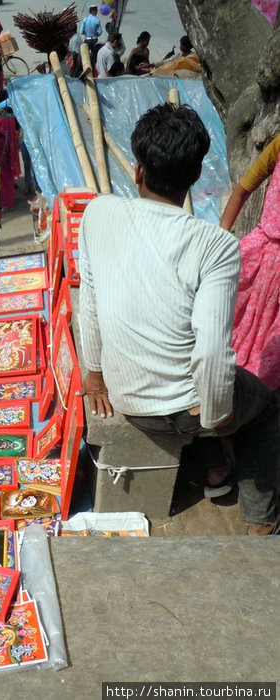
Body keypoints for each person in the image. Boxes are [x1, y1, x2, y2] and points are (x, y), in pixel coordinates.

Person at [78, 103, 280, 536]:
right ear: (194, 176)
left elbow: (89, 304)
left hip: (122, 395)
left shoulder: (98, 213)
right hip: (183, 409)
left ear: (137, 170)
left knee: (216, 393)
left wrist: (93, 378)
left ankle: (211, 468)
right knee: (263, 407)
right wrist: (213, 416)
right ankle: (261, 521)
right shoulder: (215, 246)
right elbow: (211, 354)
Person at [220, 133, 280, 391]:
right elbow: (241, 191)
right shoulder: (278, 145)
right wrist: (219, 239)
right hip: (262, 248)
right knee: (226, 299)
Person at [0, 89, 20, 210]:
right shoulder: (10, 117)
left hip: (0, 153)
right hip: (5, 152)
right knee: (6, 176)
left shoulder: (2, 119)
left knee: (3, 177)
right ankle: (8, 201)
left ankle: (6, 203)